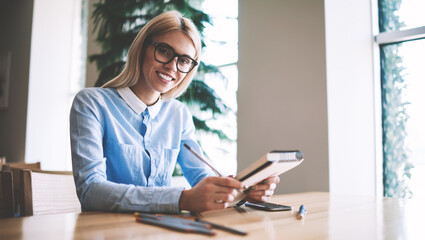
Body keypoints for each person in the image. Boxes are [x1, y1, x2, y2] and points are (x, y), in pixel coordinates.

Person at [70, 10, 279, 213]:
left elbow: (201, 176)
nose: (172, 66)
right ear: (143, 48)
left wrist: (240, 191)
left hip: (163, 231)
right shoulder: (92, 103)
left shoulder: (178, 114)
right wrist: (181, 199)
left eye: (184, 61)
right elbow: (90, 190)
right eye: (164, 51)